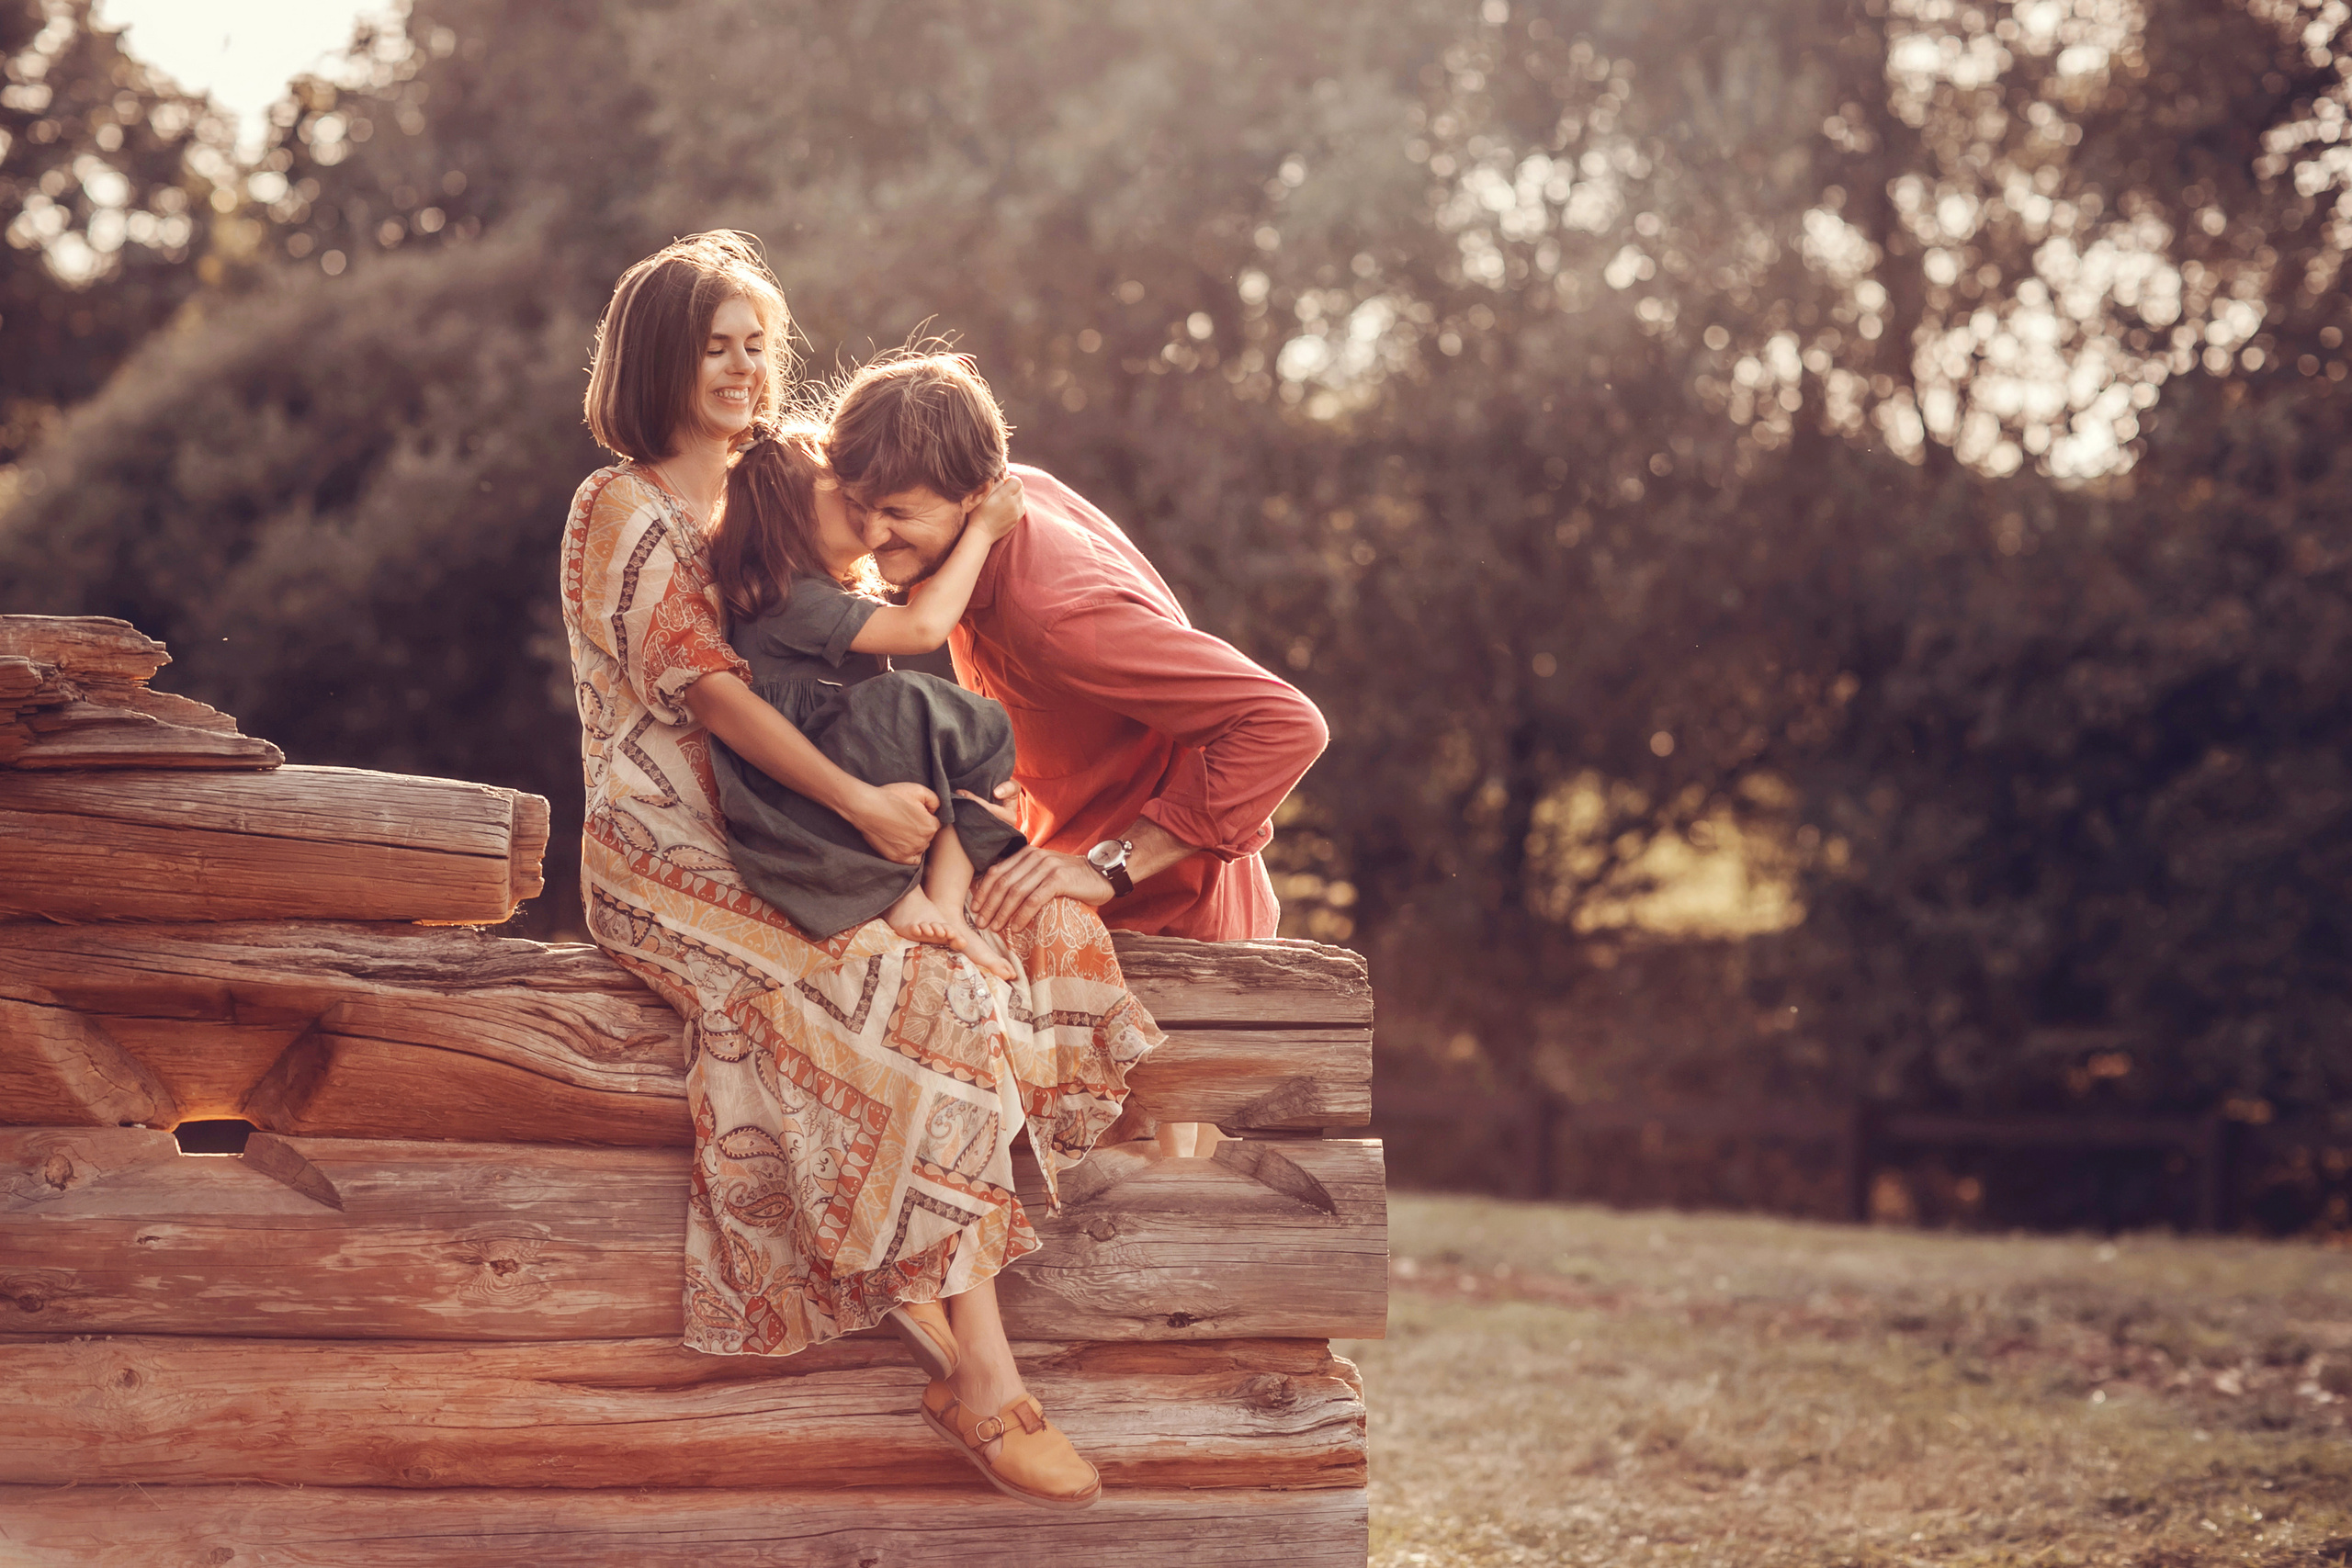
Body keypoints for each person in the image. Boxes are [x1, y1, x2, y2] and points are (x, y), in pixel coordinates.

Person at [560, 232, 1155, 1511]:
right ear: (660, 354)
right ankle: (985, 1380)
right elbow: (707, 697)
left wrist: (925, 821)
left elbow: (897, 578)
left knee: (1021, 938)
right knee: (911, 990)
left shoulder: (791, 475)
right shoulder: (625, 503)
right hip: (680, 847)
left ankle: (1013, 1275)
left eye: (756, 340)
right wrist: (862, 808)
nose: (741, 363)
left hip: (822, 830)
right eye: (714, 342)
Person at [825, 354, 1330, 1156]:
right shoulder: (995, 514)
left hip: (1171, 940)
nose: (871, 534)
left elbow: (1284, 724)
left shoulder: (1055, 614)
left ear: (975, 499)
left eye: (896, 513)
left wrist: (1113, 864)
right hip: (1076, 920)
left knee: (1155, 1220)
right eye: (857, 506)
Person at [704, 423, 1027, 979]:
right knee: (909, 700)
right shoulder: (787, 601)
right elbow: (923, 629)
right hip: (803, 812)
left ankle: (948, 902)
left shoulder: (826, 597)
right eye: (852, 500)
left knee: (981, 726)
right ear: (790, 521)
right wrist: (981, 531)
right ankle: (896, 895)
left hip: (847, 789)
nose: (870, 514)